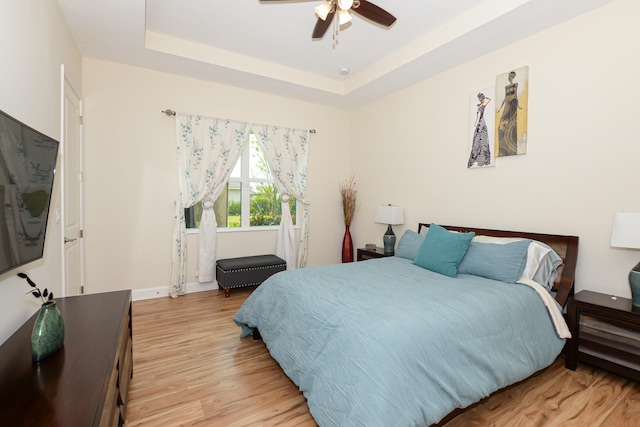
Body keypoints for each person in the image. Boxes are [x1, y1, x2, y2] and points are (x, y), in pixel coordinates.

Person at [497, 71, 521, 156]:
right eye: (509, 77)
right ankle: (503, 149)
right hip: (507, 106)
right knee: (501, 126)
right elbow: (504, 98)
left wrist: (518, 105)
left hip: (513, 104)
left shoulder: (515, 85)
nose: (510, 78)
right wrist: (500, 108)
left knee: (512, 124)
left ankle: (511, 149)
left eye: (511, 77)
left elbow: (516, 96)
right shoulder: (506, 87)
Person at [468, 93, 492, 167]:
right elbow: (477, 116)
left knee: (482, 139)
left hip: (481, 122)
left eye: (483, 98)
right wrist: (475, 123)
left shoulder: (481, 106)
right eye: (482, 98)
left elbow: (490, 100)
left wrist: (486, 97)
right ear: (481, 99)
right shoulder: (480, 106)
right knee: (478, 139)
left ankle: (483, 158)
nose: (483, 99)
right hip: (480, 122)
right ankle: (478, 157)